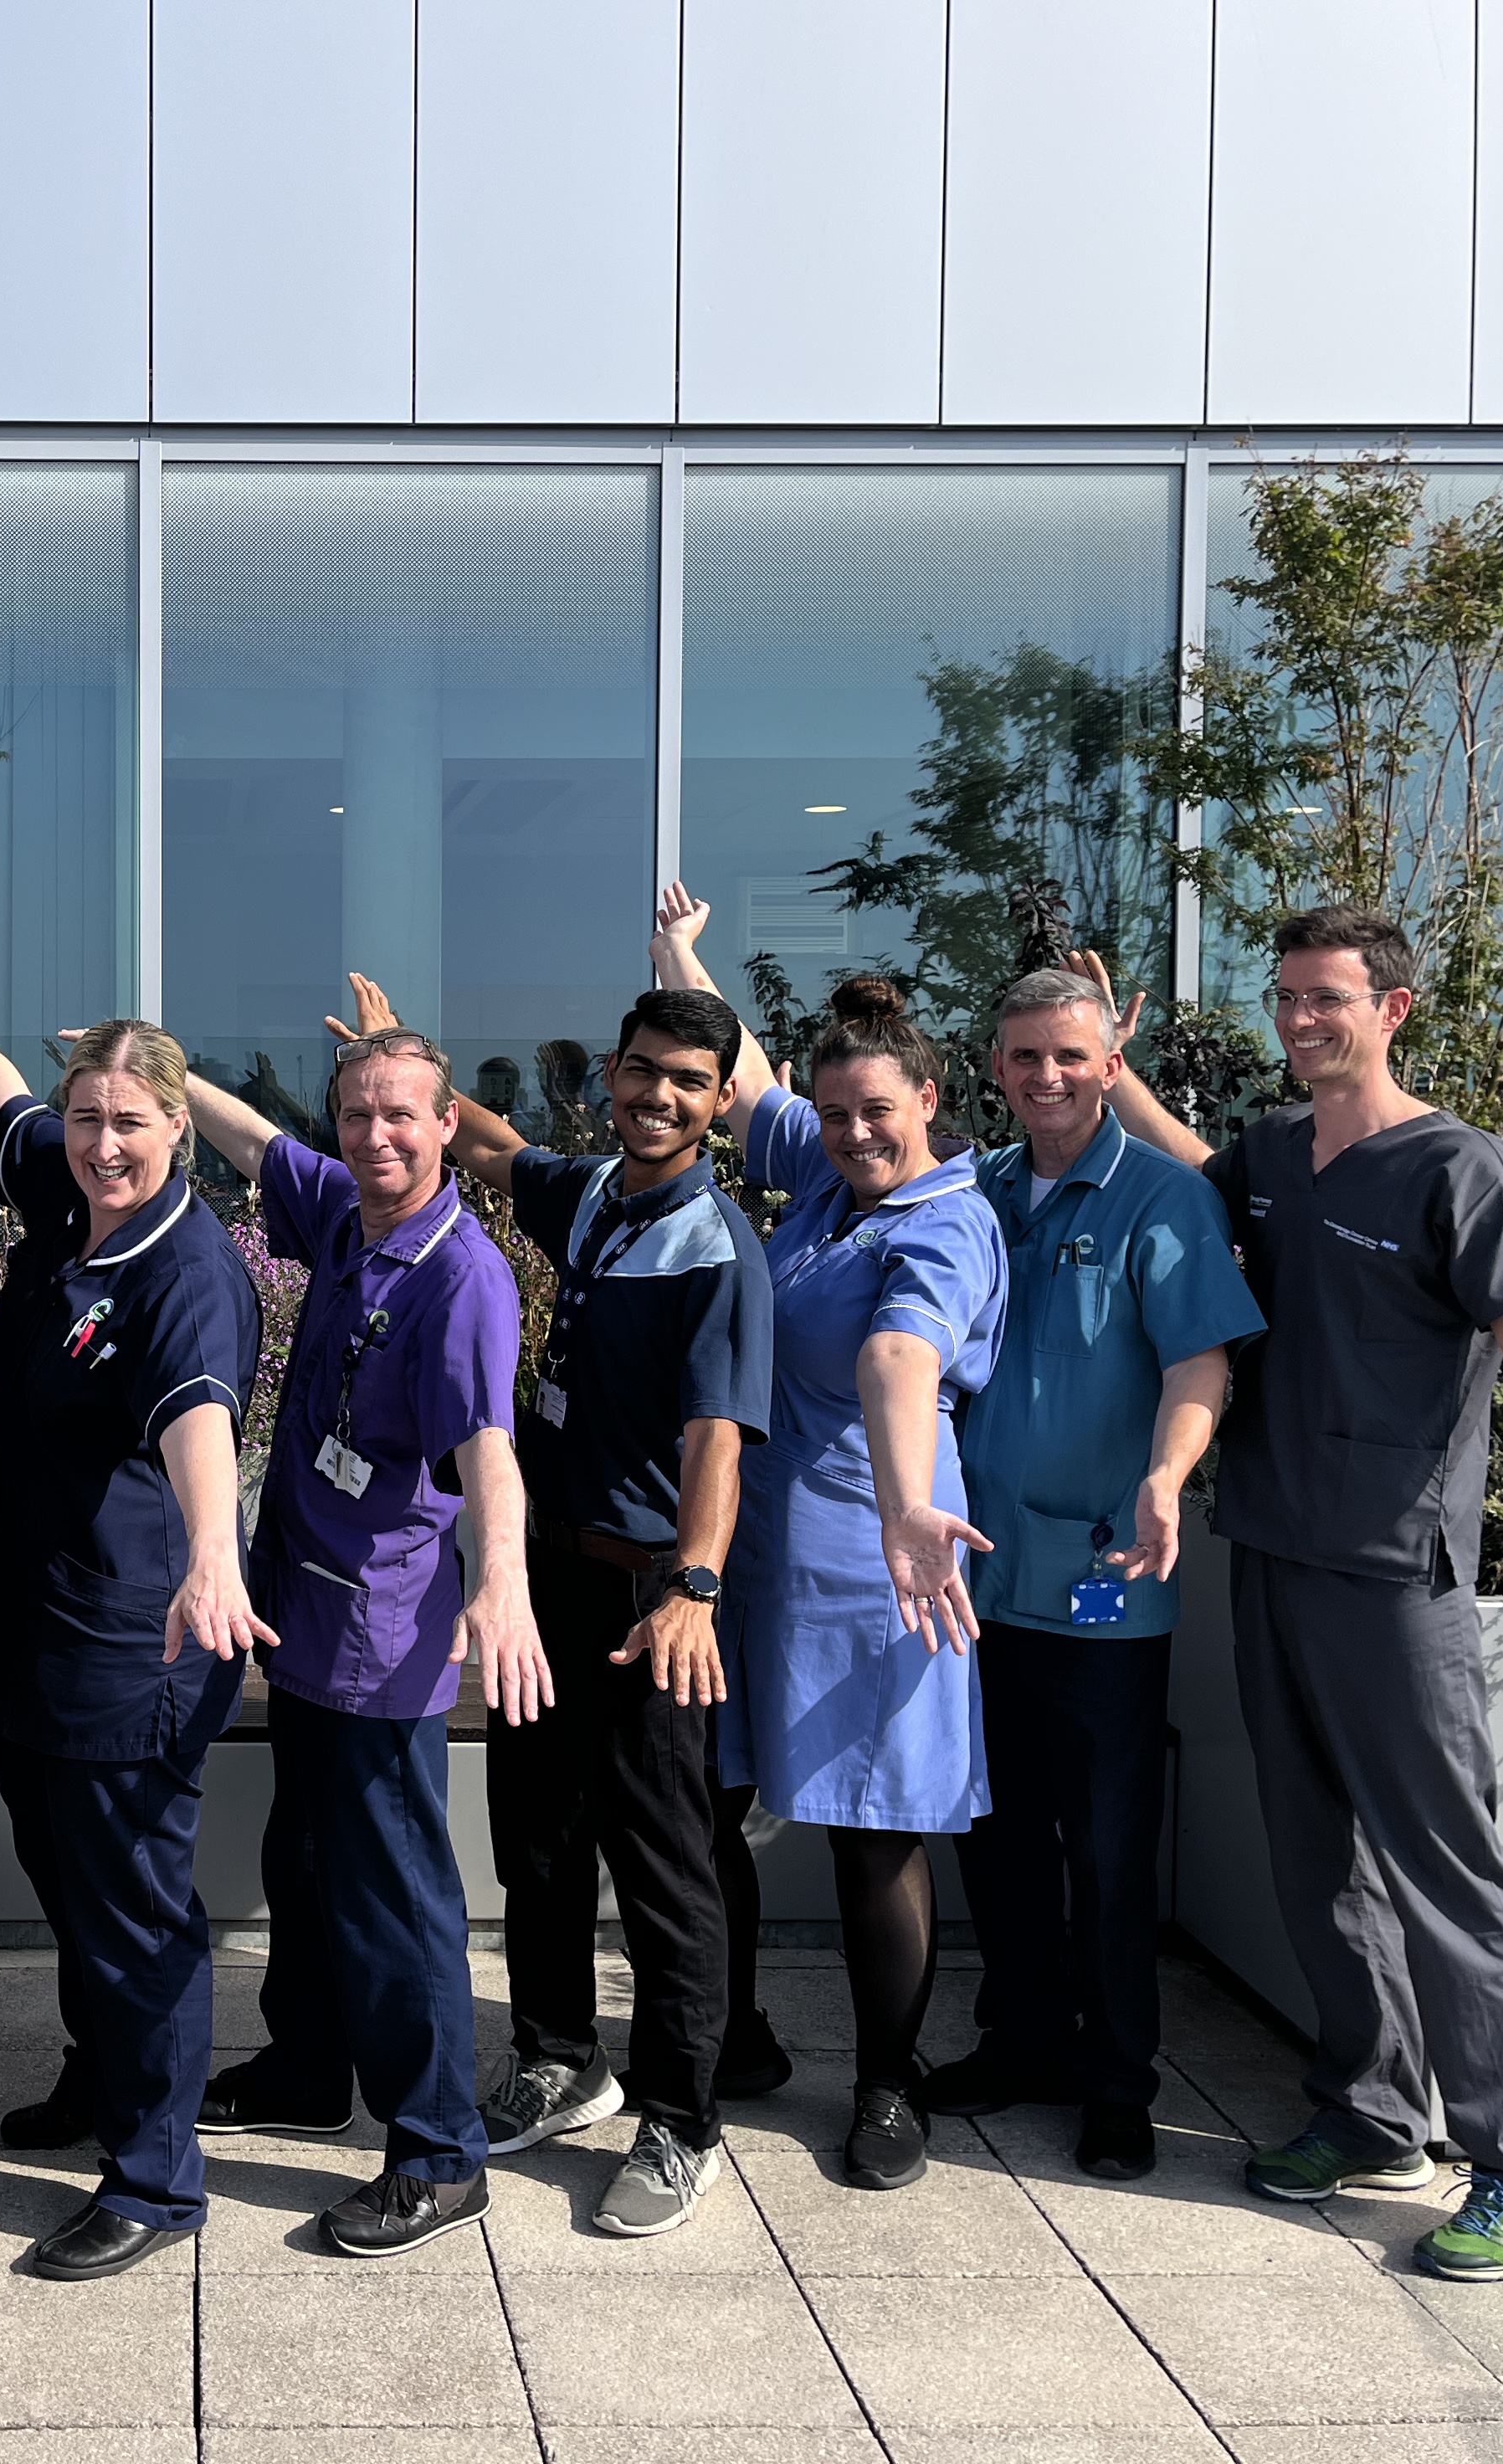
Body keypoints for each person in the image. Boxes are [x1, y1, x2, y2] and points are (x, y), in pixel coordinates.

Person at [1074, 908, 1503, 2280]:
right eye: (1285, 997)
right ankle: (1375, 2112)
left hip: (1396, 1576)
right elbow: (1191, 1165)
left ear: (1394, 1010)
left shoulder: (1460, 1169)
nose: (1299, 1019)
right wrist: (1109, 1064)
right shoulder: (1273, 1156)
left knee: (1449, 1873)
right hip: (1271, 1549)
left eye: (1326, 998)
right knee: (1313, 1859)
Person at [0, 932, 262, 2282]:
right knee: (63, 1874)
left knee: (132, 1905)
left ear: (178, 1128)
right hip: (30, 1621)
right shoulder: (61, 1188)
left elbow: (199, 1413)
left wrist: (214, 1552)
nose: (101, 1144)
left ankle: (155, 2176)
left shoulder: (189, 1271)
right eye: (88, 1118)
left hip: (132, 1640)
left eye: (129, 1123)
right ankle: (99, 2081)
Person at [333, 962, 773, 2240]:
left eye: (688, 1083)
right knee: (535, 1836)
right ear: (615, 1071)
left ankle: (682, 2119)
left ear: (716, 1101)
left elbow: (719, 1438)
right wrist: (401, 1068)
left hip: (647, 1596)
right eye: (641, 1070)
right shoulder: (590, 1197)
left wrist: (694, 1583)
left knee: (662, 1861)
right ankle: (557, 2054)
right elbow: (493, 1146)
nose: (657, 1096)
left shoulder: (715, 1246)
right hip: (545, 1581)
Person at [645, 895, 1006, 2191]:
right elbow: (747, 1090)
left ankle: (888, 2086)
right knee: (713, 1799)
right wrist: (682, 961)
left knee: (873, 1827)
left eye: (879, 1115)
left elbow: (901, 1358)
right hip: (757, 1557)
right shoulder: (828, 1173)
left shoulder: (945, 1221)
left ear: (931, 1102)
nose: (855, 1134)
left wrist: (912, 1507)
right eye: (839, 1115)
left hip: (880, 1561)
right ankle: (730, 2036)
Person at [177, 1021, 547, 2258]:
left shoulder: (460, 1277)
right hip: (302, 1602)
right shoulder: (349, 1211)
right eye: (358, 1115)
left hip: (383, 1638)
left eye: (403, 1116)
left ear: (450, 1126)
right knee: (302, 1862)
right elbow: (254, 1141)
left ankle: (441, 2152)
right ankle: (306, 2065)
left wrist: (503, 1587)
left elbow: (488, 1449)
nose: (376, 1137)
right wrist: (156, 1068)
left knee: (393, 1897)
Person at [916, 965, 1263, 2182]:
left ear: (1111, 1061)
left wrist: (1168, 1476)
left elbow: (1201, 1365)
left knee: (1108, 1857)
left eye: (1070, 1055)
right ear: (995, 1068)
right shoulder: (975, 1191)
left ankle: (1118, 2083)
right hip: (978, 1579)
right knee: (999, 1837)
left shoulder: (1162, 1199)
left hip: (1104, 1582)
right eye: (1024, 1058)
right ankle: (1020, 2044)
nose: (1047, 1077)